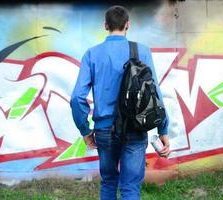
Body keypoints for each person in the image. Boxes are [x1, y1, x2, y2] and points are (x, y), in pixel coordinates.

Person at [70, 5, 170, 200]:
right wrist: (163, 130)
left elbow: (77, 98)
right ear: (128, 25)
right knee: (130, 187)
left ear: (105, 25)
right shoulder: (142, 51)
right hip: (135, 128)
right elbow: (155, 93)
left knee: (108, 182)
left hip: (104, 130)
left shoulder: (92, 54)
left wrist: (85, 130)